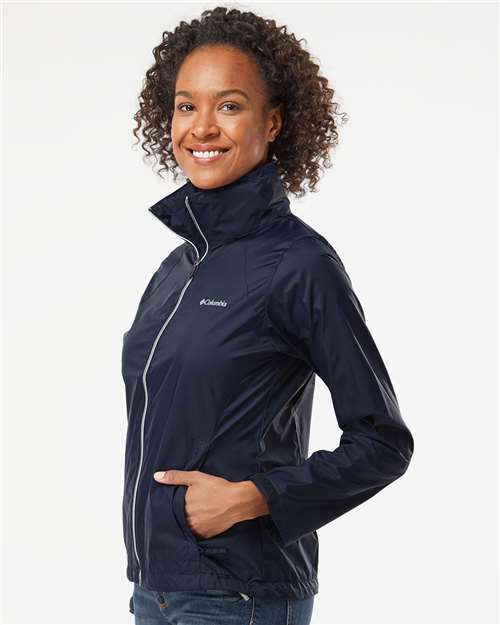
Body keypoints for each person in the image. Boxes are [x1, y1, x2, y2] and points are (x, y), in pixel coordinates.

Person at [121, 6, 414, 625]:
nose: (202, 126)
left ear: (273, 121)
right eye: (186, 105)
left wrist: (250, 498)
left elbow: (383, 442)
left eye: (229, 105)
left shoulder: (299, 263)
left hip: (240, 596)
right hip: (155, 589)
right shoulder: (180, 266)